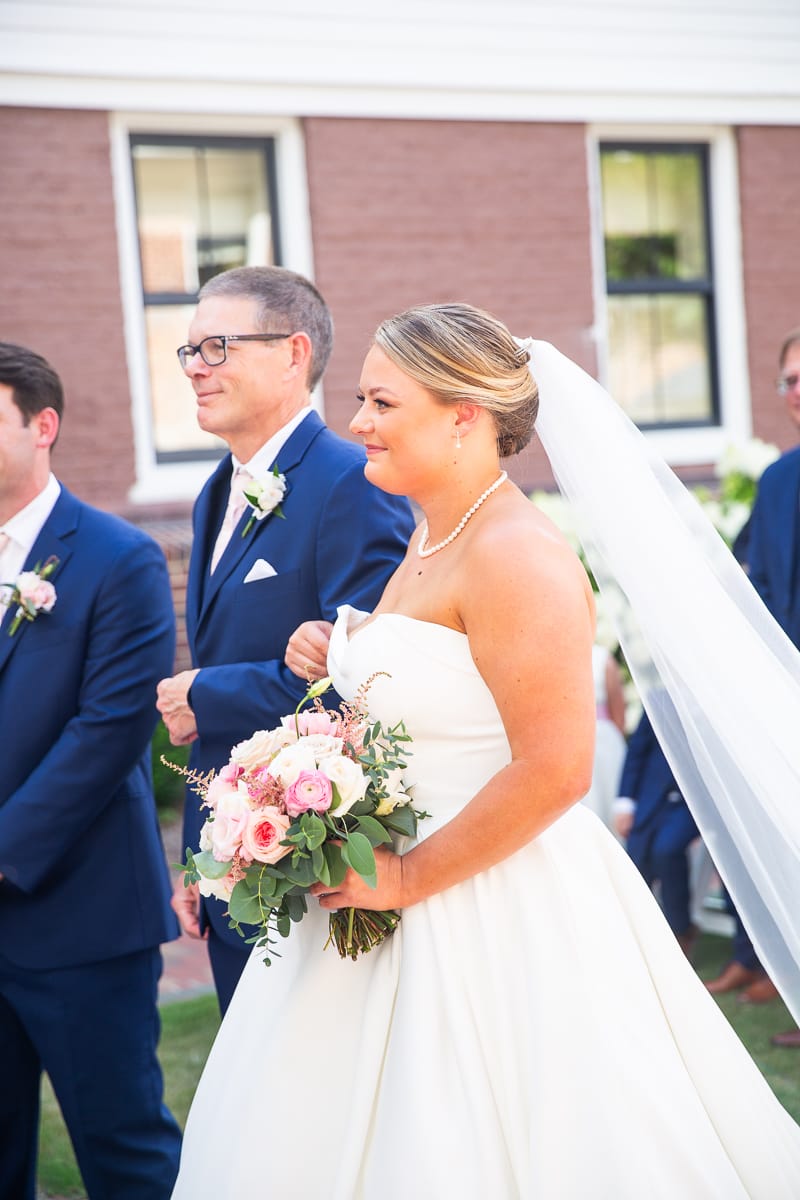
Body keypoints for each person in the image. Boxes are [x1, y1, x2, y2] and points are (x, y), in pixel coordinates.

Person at [171, 304, 800, 1198]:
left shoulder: (518, 554)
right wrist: (335, 642)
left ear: (464, 415)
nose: (357, 423)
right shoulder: (435, 534)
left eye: (383, 403)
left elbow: (555, 769)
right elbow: (428, 685)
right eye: (361, 400)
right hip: (386, 890)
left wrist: (402, 880)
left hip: (489, 905)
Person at [156, 266, 414, 1014]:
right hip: (237, 854)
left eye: (218, 347)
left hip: (314, 865)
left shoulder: (350, 481)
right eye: (190, 351)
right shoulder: (216, 491)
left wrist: (204, 692)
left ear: (294, 353)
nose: (196, 369)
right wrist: (199, 858)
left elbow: (365, 682)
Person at [0, 343, 182, 1199]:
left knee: (124, 1153)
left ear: (44, 426)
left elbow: (108, 732)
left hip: (80, 920)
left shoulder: (122, 559)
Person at [731, 327, 800, 1045]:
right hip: (783, 690)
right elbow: (753, 583)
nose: (796, 393)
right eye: (788, 380)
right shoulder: (779, 481)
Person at [613, 708, 700, 956]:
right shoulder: (658, 699)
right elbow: (636, 753)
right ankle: (636, 934)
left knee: (666, 850)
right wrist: (625, 802)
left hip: (692, 803)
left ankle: (680, 929)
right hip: (650, 799)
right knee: (637, 859)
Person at [581, 641, 626, 830]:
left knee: (609, 792)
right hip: (574, 742)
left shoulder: (602, 658)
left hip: (603, 741)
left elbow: (618, 710)